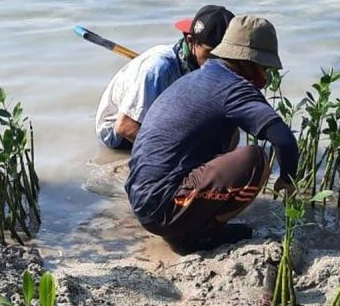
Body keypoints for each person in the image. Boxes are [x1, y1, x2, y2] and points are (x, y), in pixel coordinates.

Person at [125, 15, 298, 255]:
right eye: (265, 68)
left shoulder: (198, 78)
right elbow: (284, 140)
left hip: (142, 199)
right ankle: (200, 235)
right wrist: (288, 179)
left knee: (230, 139)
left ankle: (186, 224)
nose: (266, 78)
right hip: (161, 208)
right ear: (247, 62)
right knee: (256, 158)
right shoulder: (234, 88)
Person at [95, 5, 235, 149]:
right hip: (118, 133)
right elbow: (125, 127)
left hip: (161, 116)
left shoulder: (199, 63)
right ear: (191, 41)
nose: (219, 61)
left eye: (225, 56)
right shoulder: (158, 69)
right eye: (211, 55)